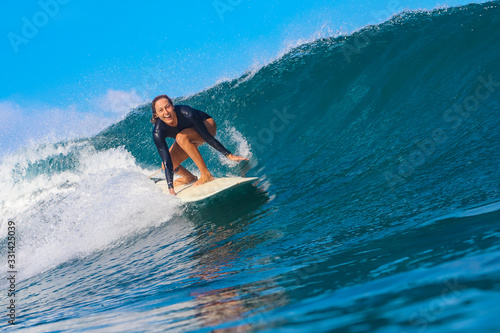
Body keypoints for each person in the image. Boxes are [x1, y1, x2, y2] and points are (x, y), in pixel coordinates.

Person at [151, 95, 248, 195]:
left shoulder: (187, 113)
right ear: (156, 114)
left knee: (180, 137)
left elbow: (206, 136)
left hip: (207, 126)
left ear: (173, 106)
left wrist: (229, 155)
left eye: (167, 107)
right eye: (161, 110)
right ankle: (189, 177)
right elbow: (167, 161)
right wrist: (170, 188)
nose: (166, 112)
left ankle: (206, 174)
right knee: (166, 165)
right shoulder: (158, 132)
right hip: (186, 136)